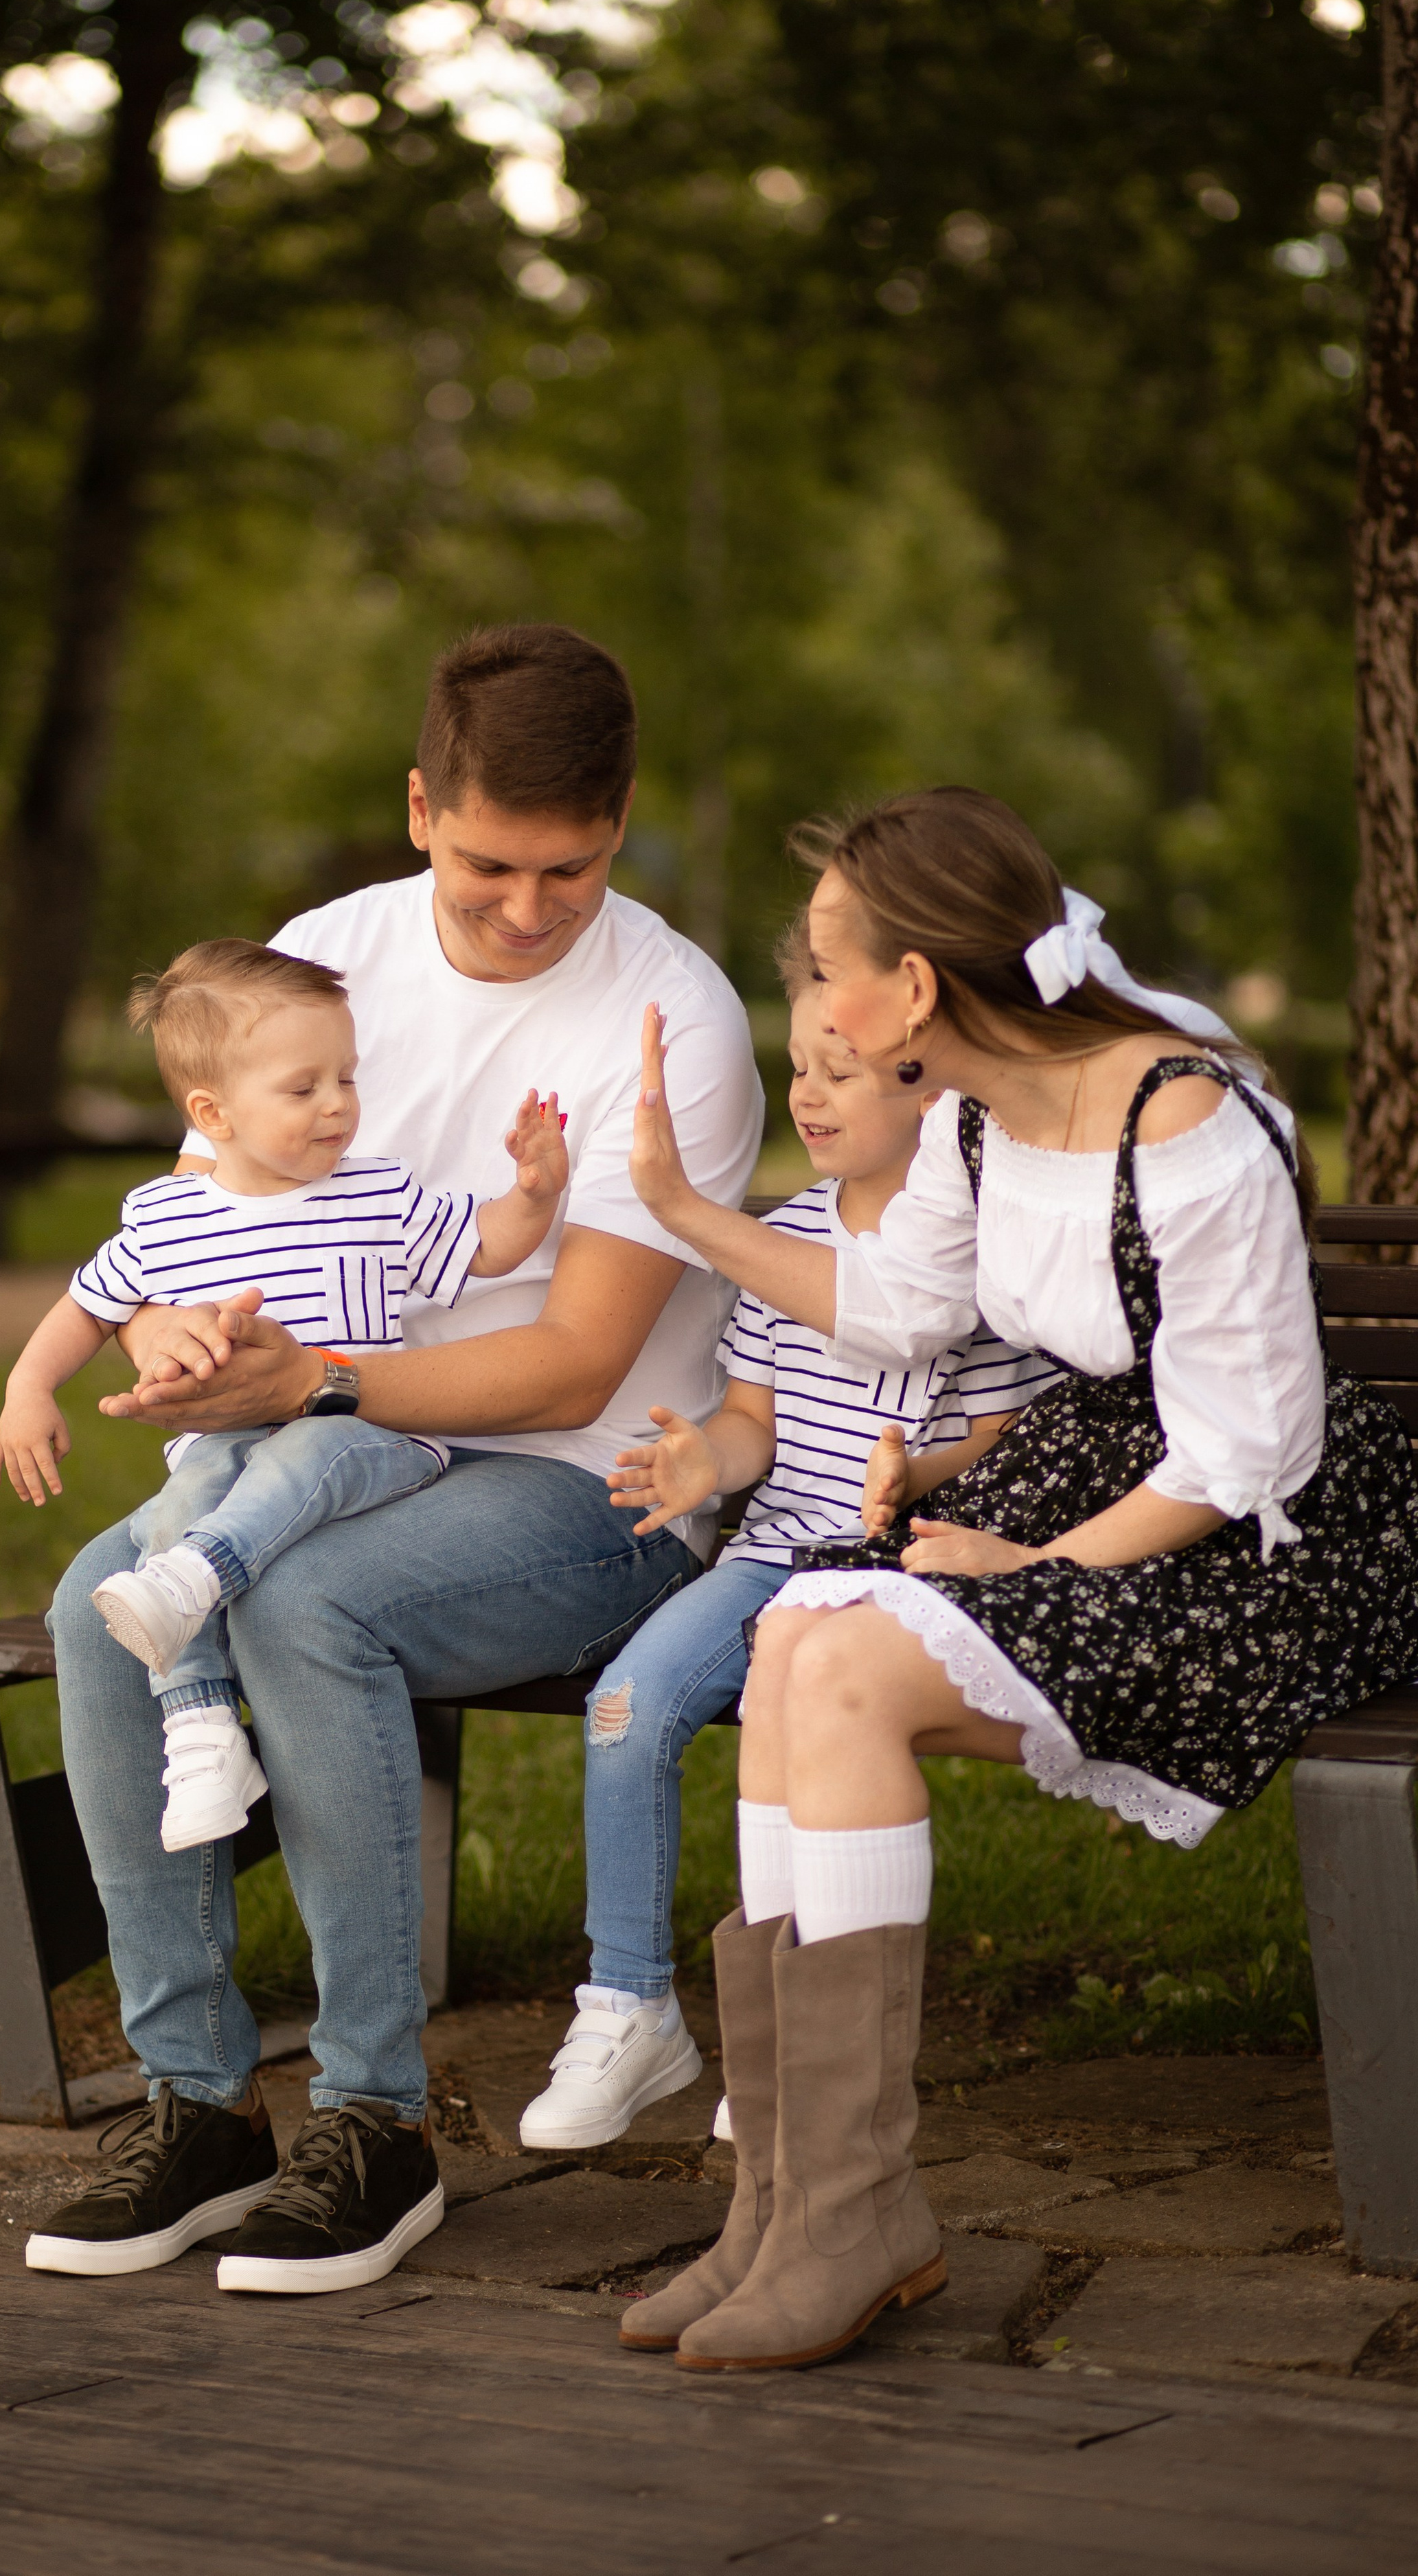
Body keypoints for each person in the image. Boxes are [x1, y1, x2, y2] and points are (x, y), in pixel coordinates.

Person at [615, 785, 1418, 2374]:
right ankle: (782, 2201)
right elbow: (895, 1309)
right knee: (792, 1636)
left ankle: (852, 2212)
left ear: (911, 988)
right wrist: (681, 1214)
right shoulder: (976, 1116)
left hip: (1259, 1546)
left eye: (829, 967)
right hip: (1096, 1482)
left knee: (845, 1662)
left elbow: (1244, 1452)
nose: (815, 1000)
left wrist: (1032, 1560)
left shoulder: (1183, 1122)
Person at [25, 623, 764, 2290]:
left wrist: (319, 1385)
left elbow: (576, 1362)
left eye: (569, 869)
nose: (527, 908)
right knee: (92, 1607)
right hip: (324, 1442)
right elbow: (201, 1223)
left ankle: (376, 2122)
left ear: (621, 821)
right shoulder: (321, 956)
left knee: (307, 1611)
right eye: (489, 863)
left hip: (594, 1485)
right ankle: (199, 2104)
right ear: (420, 806)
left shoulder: (673, 1016)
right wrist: (170, 1339)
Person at [516, 920, 1056, 2149]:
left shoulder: (980, 1255)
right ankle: (628, 2004)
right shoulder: (782, 1242)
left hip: (901, 1573)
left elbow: (1008, 1440)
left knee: (807, 1730)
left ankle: (795, 2042)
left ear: (930, 1086)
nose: (807, 1095)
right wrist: (707, 1459)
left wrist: (918, 1475)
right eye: (799, 1067)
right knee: (625, 1707)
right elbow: (755, 1419)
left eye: (839, 1071)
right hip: (773, 1558)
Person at [0, 939, 568, 1853]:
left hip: (366, 1434)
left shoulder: (376, 1195)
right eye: (304, 1089)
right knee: (180, 1501)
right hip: (226, 1446)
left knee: (267, 1475)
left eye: (347, 1077)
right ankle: (202, 1730)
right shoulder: (162, 1218)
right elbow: (88, 1308)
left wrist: (534, 1193)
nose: (338, 1103)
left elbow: (487, 1246)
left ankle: (199, 1578)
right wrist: (28, 1386)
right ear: (211, 1113)